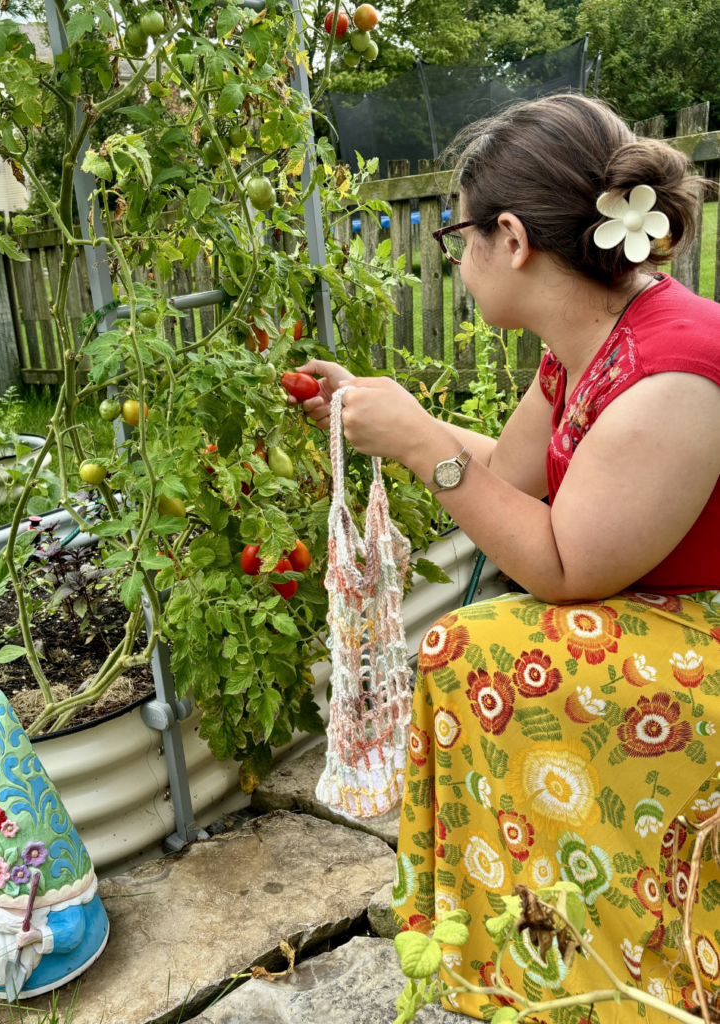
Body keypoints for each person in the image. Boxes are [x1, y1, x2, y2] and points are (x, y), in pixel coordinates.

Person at [289, 95, 720, 1021]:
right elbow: (512, 475)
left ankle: (615, 960)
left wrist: (416, 447)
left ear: (512, 238)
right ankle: (515, 935)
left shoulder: (676, 369)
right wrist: (391, 414)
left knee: (471, 647)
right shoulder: (590, 343)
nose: (459, 257)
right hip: (667, 604)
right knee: (466, 646)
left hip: (707, 629)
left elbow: (564, 568)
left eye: (458, 234)